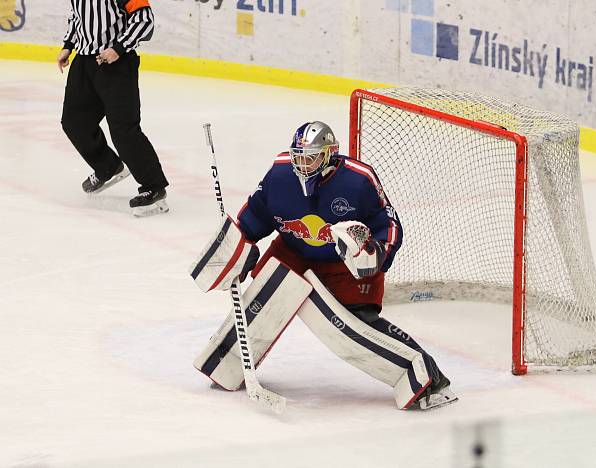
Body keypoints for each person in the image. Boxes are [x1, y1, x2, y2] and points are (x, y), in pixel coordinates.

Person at [194, 121, 457, 410]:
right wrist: (237, 249)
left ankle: (426, 378)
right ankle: (225, 362)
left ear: (330, 154)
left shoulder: (359, 180)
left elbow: (389, 224)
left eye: (311, 157)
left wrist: (378, 252)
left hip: (342, 264)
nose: (302, 165)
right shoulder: (280, 174)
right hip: (292, 253)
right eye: (298, 156)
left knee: (354, 328)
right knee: (265, 299)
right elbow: (254, 216)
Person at [57, 0, 169, 217]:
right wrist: (68, 45)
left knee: (123, 129)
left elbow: (145, 20)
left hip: (117, 63)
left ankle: (154, 187)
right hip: (85, 62)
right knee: (74, 122)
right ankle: (108, 166)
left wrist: (118, 47)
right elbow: (77, 15)